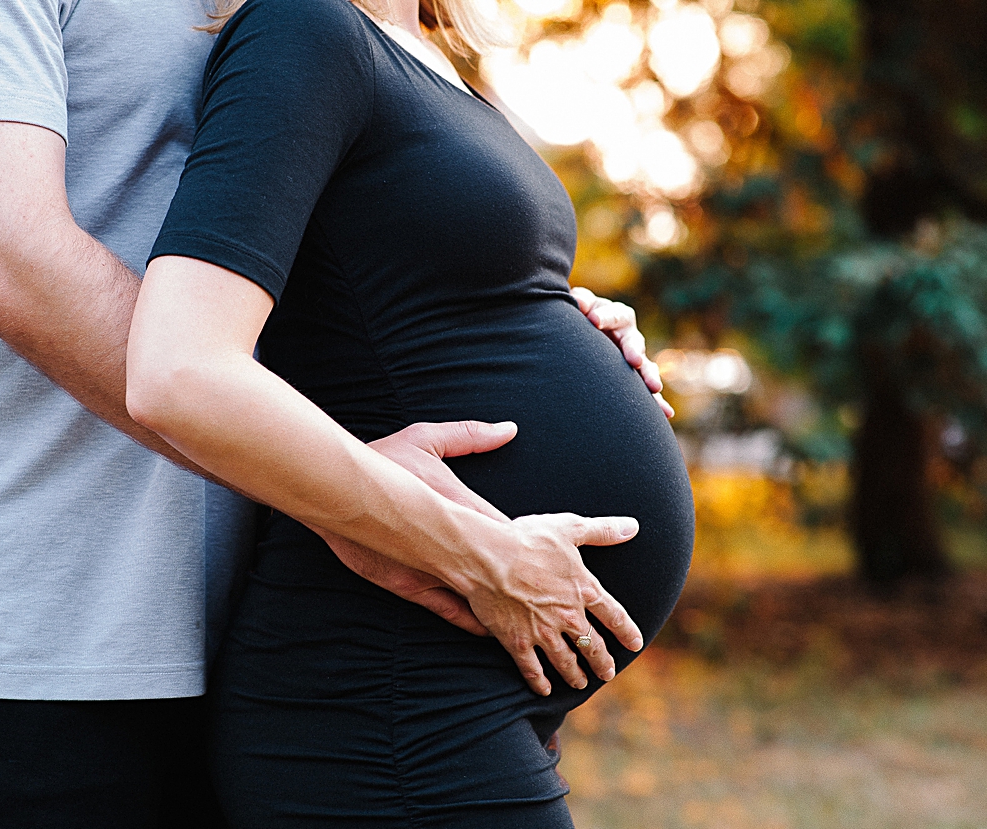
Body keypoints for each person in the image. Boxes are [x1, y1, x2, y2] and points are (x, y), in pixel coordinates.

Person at [0, 0, 671, 824]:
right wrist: (360, 490)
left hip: (247, 607)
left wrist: (505, 303)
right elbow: (10, 260)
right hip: (39, 635)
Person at [124, 0, 695, 824]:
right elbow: (180, 368)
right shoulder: (302, 27)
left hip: (442, 694)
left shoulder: (425, 53)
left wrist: (560, 314)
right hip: (380, 697)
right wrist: (484, 552)